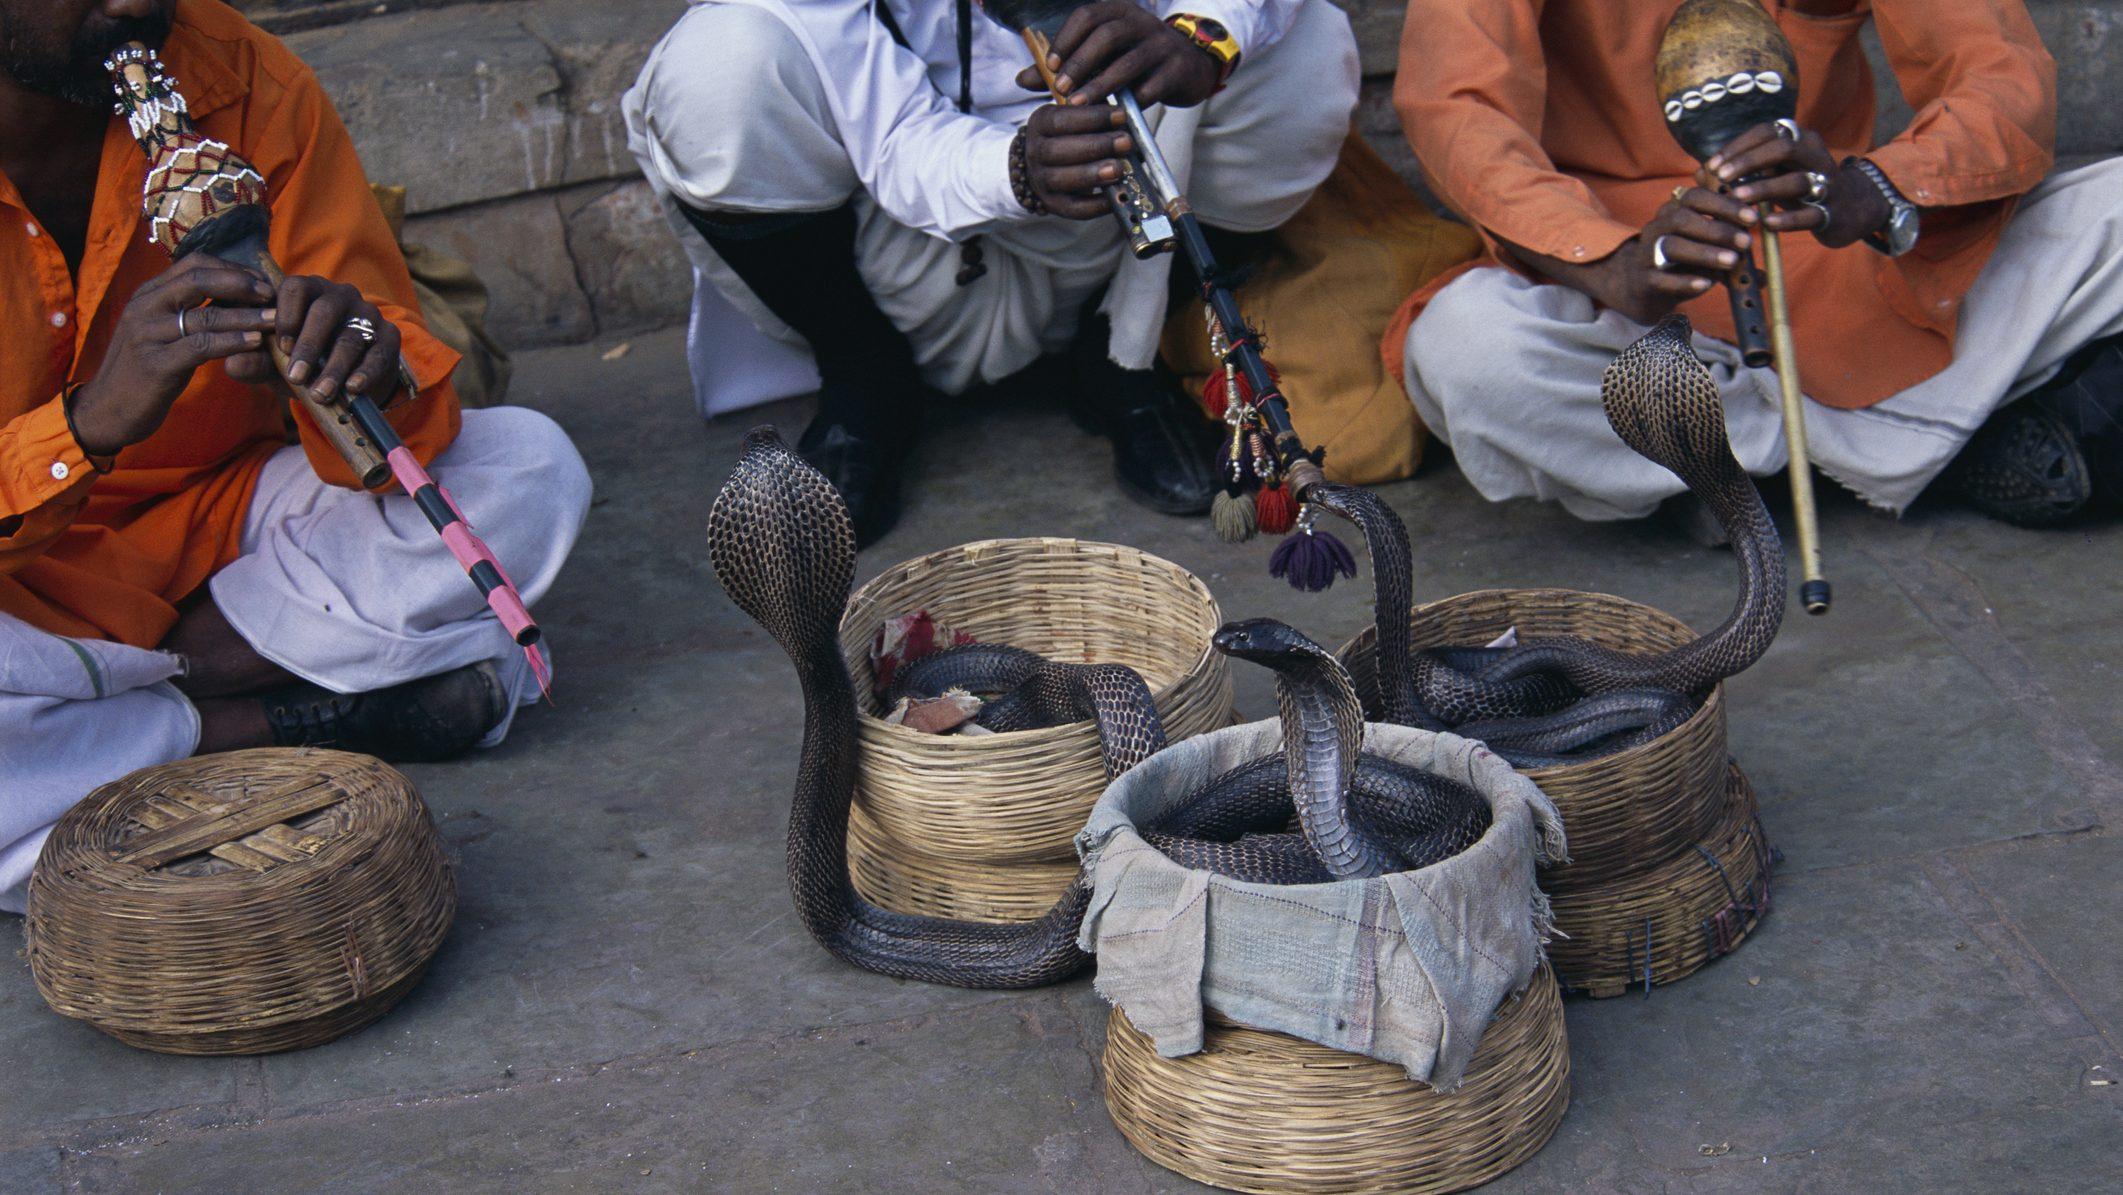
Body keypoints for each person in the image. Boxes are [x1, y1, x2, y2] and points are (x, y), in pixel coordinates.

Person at [0, 0, 593, 910]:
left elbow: (386, 368)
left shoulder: (243, 78)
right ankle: (260, 722)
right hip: (22, 588)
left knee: (527, 470)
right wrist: (84, 427)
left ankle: (121, 726)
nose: (133, 5)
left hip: (219, 524)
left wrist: (361, 359)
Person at [625, 0, 1360, 546]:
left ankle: (1119, 357)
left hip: (1108, 230)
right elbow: (895, 137)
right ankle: (864, 377)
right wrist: (1013, 171)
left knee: (1305, 49)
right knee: (718, 69)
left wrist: (1201, 34)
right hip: (905, 249)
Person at [1388, 0, 2122, 527]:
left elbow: (2002, 72)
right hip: (1631, 291)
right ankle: (1947, 436)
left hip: (1836, 260)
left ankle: (1736, 469)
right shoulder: (1612, 264)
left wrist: (1879, 185)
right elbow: (1456, 108)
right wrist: (1609, 259)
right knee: (1469, 351)